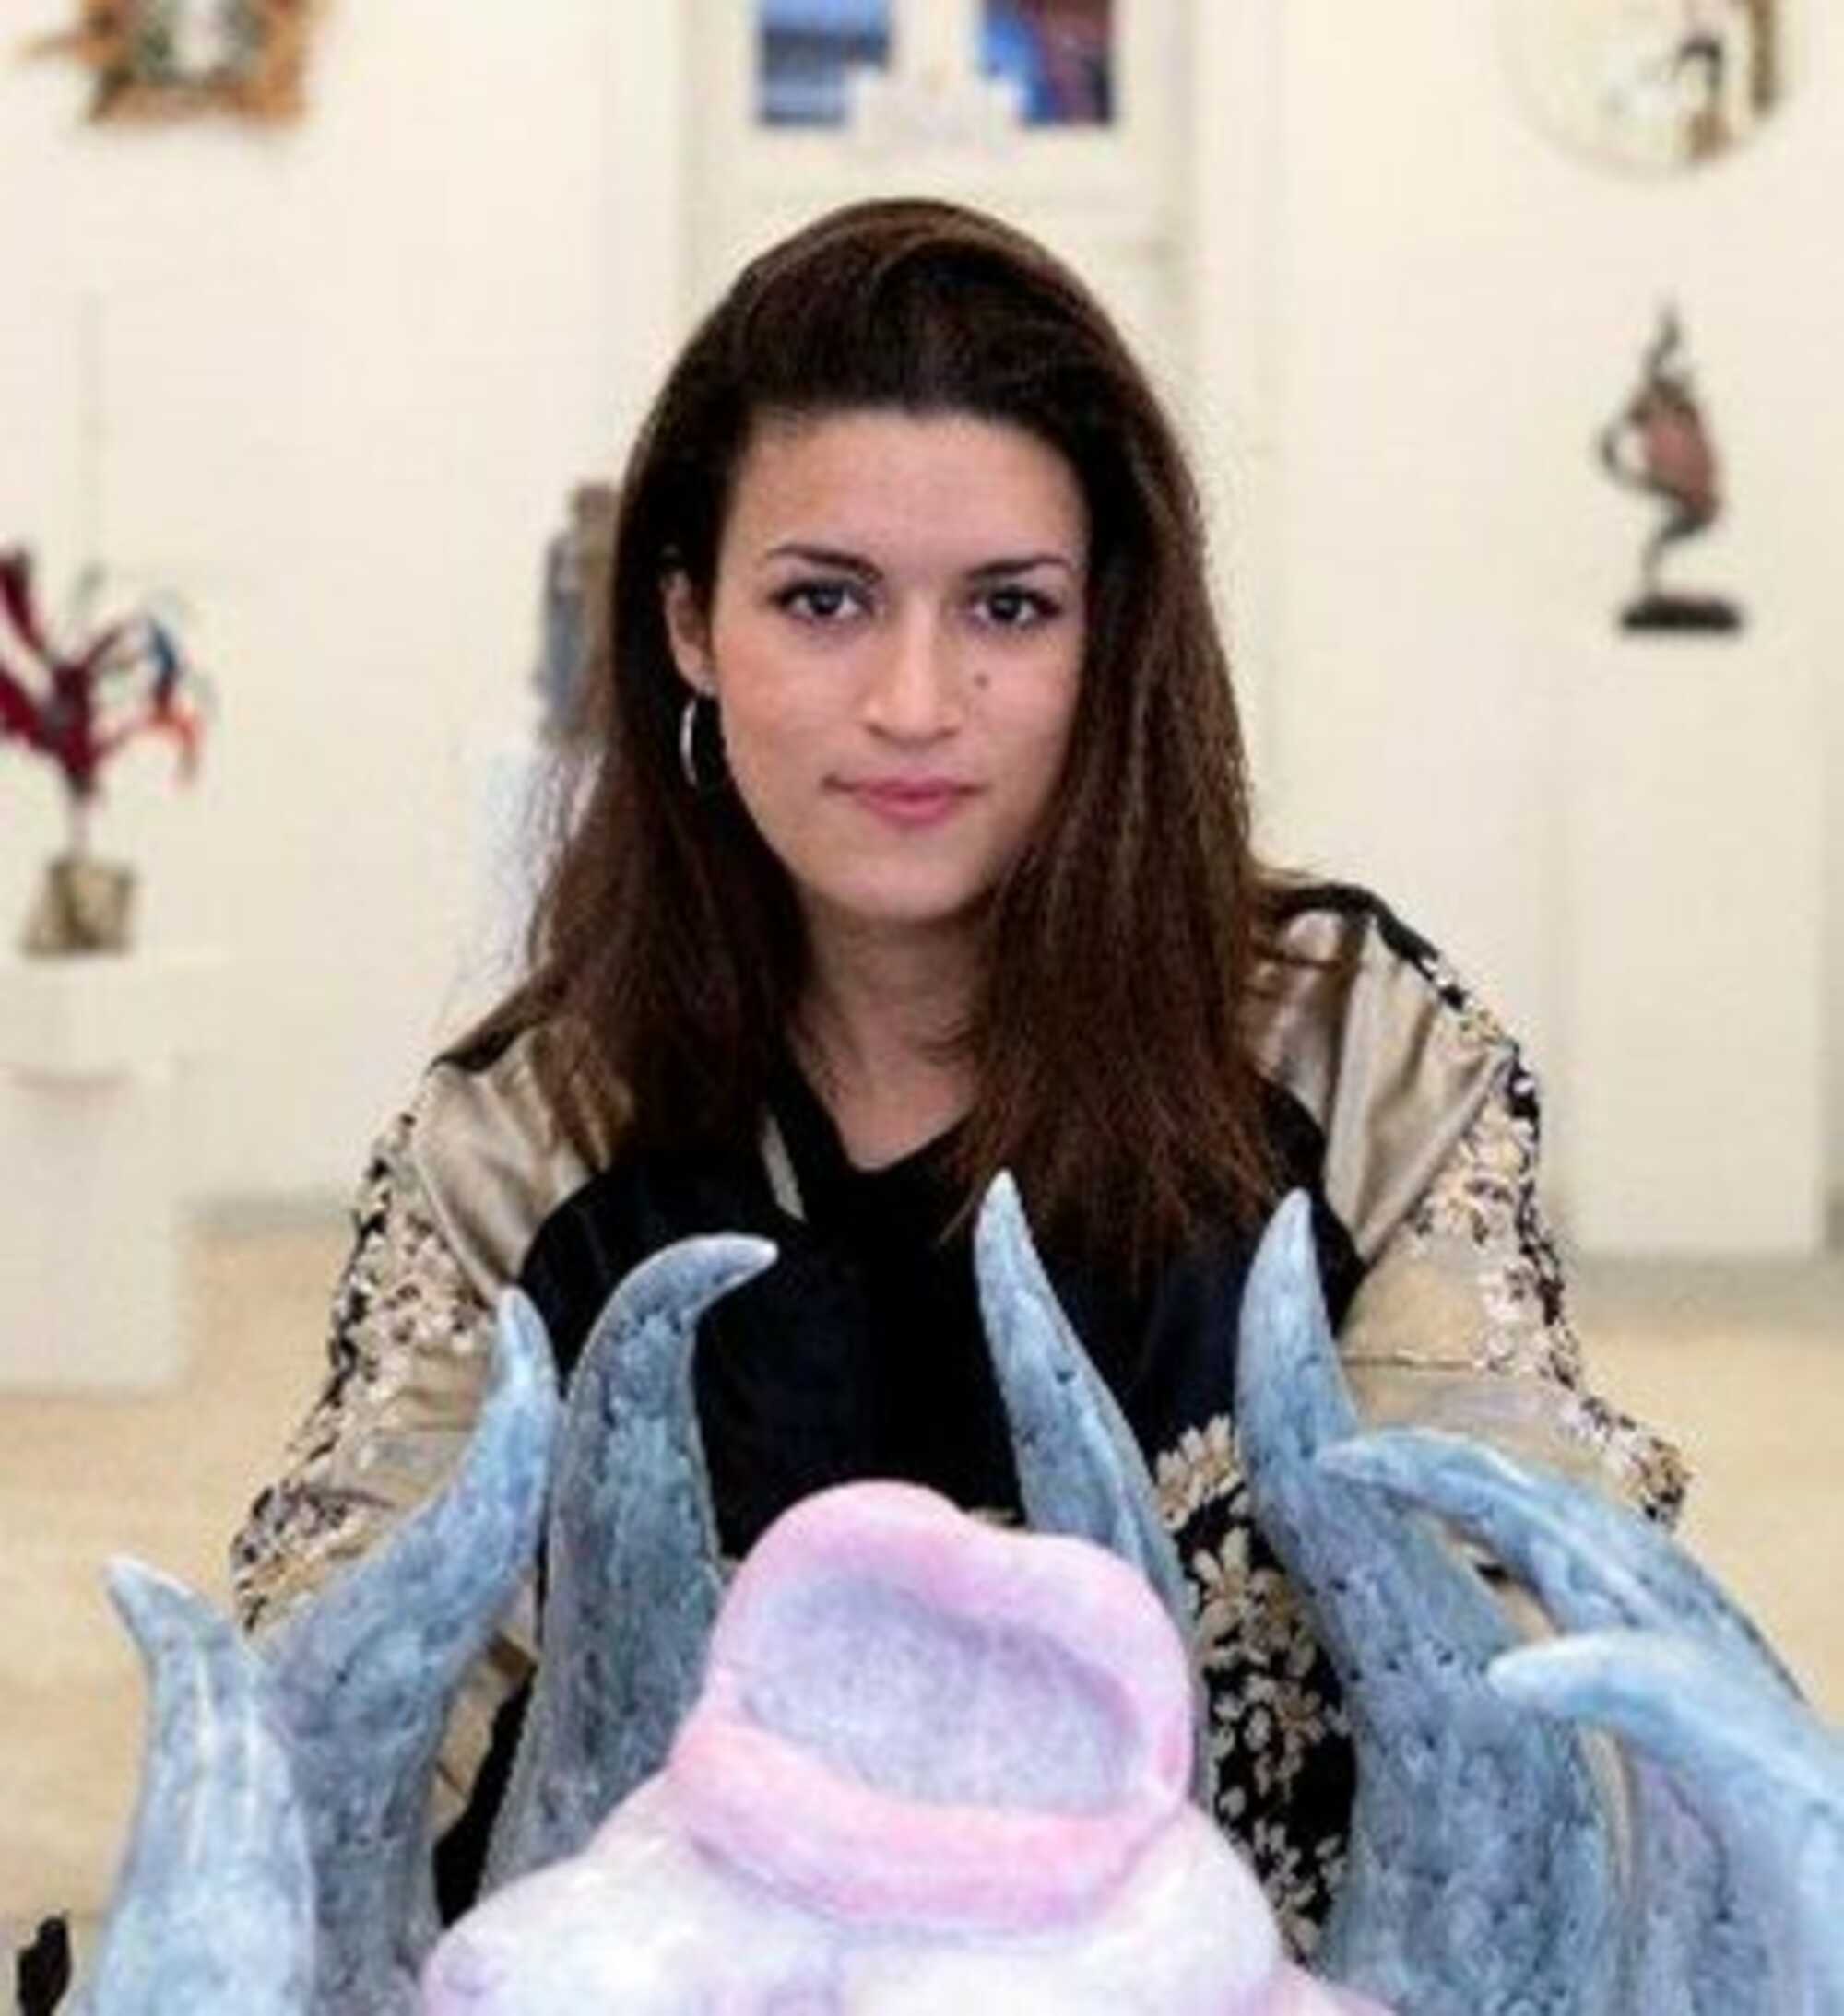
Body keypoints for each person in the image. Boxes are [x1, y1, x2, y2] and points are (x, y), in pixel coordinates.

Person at [230, 197, 1685, 1956]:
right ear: (688, 622)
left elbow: (1524, 1635)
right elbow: (344, 1706)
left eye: (1008, 605)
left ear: (1108, 634)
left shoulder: (1359, 1056)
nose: (916, 703)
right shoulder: (522, 1149)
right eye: (823, 600)